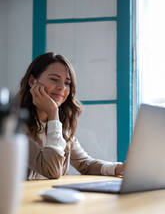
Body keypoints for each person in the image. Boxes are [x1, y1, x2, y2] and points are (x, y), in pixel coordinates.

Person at [17, 52, 124, 180]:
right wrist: (52, 112)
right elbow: (51, 170)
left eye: (67, 83)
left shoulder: (61, 126)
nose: (62, 87)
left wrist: (118, 168)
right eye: (54, 79)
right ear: (32, 81)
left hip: (49, 197)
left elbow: (85, 163)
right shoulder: (15, 126)